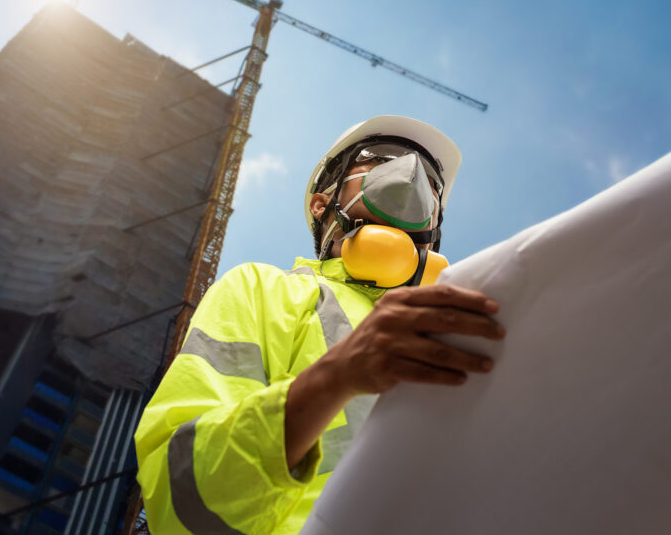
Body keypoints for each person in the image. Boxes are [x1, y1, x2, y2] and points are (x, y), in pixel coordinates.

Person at [134, 116, 506, 534]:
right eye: (382, 158)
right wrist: (335, 378)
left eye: (434, 187)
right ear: (321, 203)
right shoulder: (262, 289)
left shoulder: (466, 331)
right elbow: (180, 501)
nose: (413, 174)